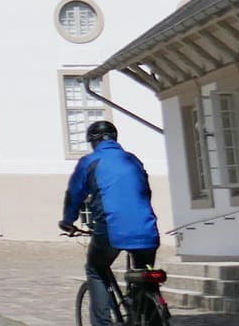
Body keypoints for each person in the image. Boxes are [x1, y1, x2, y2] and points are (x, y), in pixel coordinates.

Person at [62, 120, 161, 326]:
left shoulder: (90, 162)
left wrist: (68, 221)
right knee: (146, 277)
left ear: (93, 142)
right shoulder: (133, 160)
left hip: (111, 228)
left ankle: (102, 323)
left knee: (96, 269)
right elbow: (145, 192)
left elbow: (74, 194)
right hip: (146, 229)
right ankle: (151, 318)